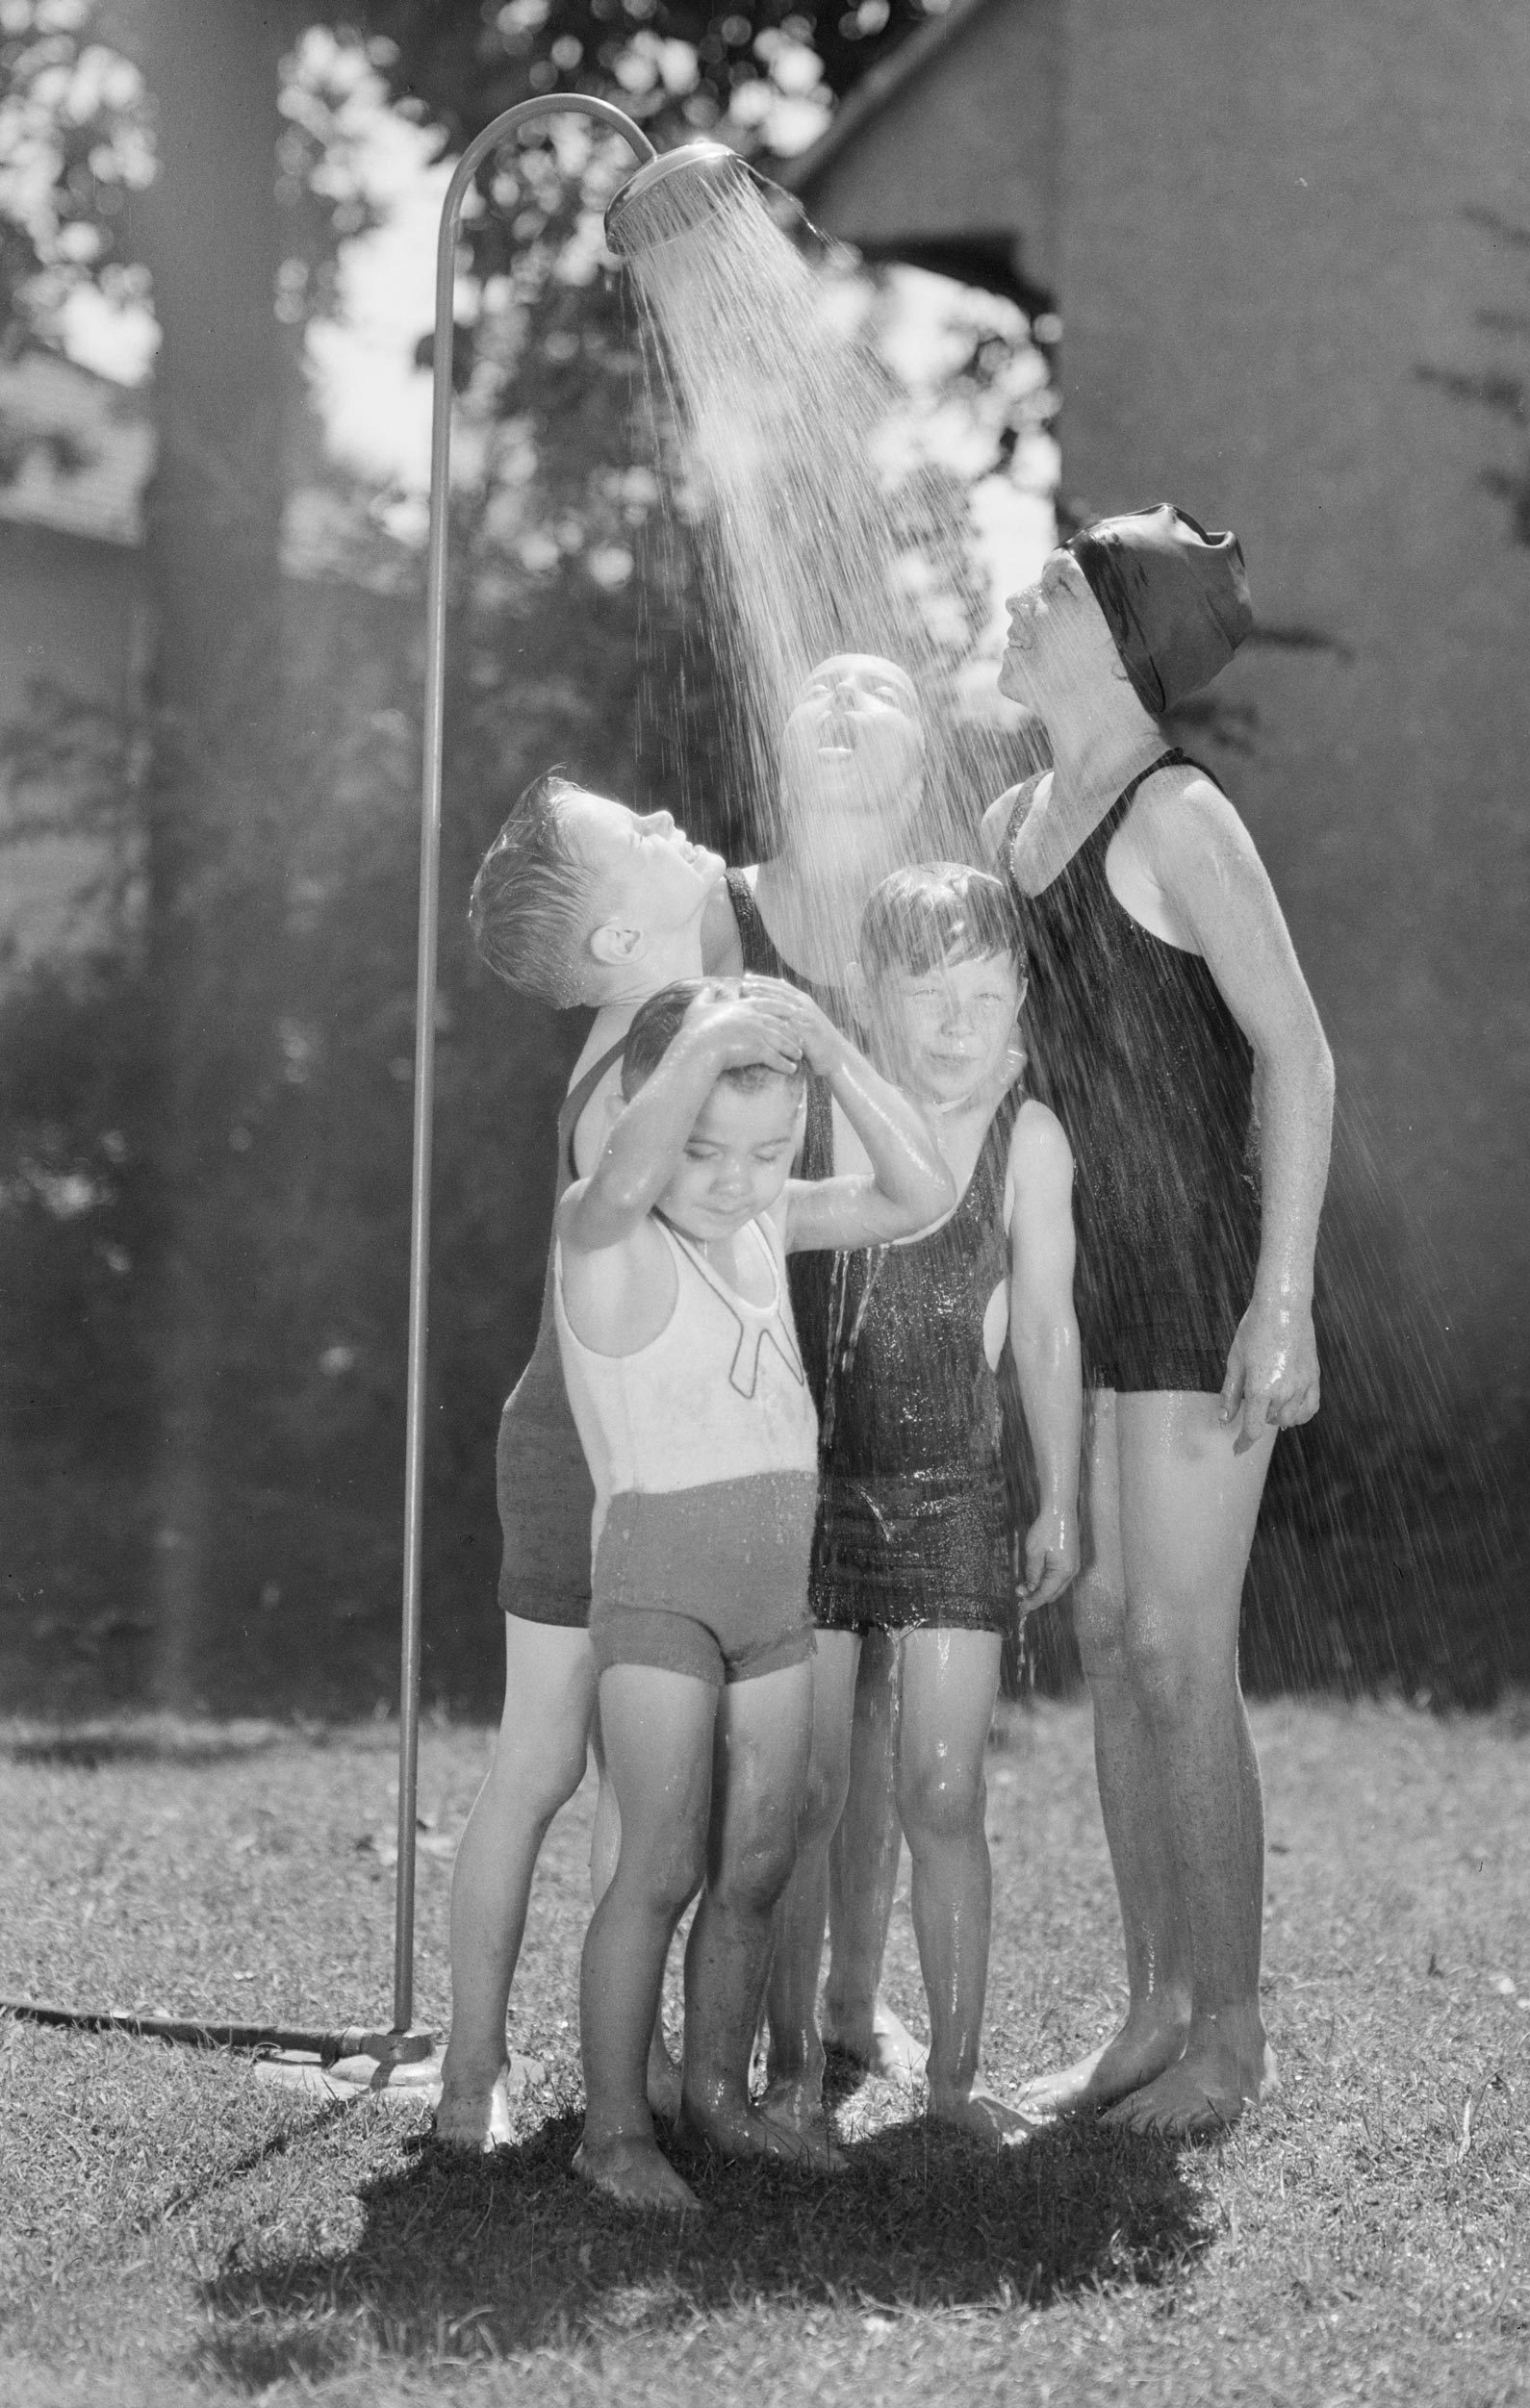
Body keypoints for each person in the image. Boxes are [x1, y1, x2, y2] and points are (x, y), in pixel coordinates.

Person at [982, 506, 1334, 2137]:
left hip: (1195, 1277)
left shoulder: (1178, 813)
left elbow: (1300, 1054)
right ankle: (1149, 2011)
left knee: (1184, 1654)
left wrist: (1285, 1293)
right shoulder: (1013, 821)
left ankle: (1233, 2037)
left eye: (1051, 580)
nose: (1016, 590)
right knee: (1112, 1643)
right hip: (1083, 1287)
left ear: (1118, 636)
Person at [560, 974, 955, 2211]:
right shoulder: (605, 1226)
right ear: (643, 1107)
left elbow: (921, 1191)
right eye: (702, 1147)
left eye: (767, 1151)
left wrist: (832, 1052)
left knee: (758, 1864)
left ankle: (720, 2099)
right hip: (659, 1593)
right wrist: (716, 1038)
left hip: (771, 1598)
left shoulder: (758, 1222)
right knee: (663, 1864)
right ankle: (615, 2131)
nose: (733, 1178)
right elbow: (627, 1177)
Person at [762, 864, 1082, 2145]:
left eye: (989, 993)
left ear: (1021, 1001)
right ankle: (793, 2068)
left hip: (956, 1492)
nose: (962, 1021)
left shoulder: (1032, 1138)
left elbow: (1048, 1330)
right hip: (818, 1492)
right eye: (931, 994)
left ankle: (953, 2078)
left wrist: (1058, 1495)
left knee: (945, 1788)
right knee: (808, 1786)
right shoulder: (832, 1121)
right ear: (875, 1003)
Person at [436, 773, 727, 2150]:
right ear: (618, 938)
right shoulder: (646, 1057)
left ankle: (633, 2048)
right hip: (593, 1453)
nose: (676, 828)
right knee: (547, 1759)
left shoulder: (660, 1018)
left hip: (629, 1450)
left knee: (624, 1769)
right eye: (646, 838)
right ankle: (474, 2066)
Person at [718, 651, 938, 2083]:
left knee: (874, 1695)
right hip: (738, 1343)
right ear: (779, 745)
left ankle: (857, 1998)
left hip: (893, 1340)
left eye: (882, 690)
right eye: (822, 687)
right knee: (749, 1690)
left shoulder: (932, 930)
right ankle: (735, 2003)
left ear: (919, 770)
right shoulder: (719, 909)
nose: (848, 697)